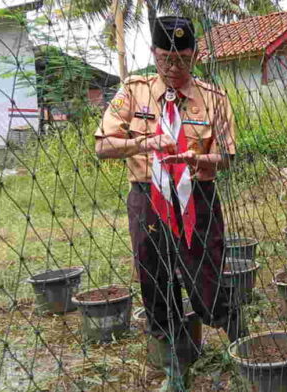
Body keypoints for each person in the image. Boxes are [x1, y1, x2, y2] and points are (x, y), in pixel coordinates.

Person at [94, 15, 245, 388]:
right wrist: (143, 142)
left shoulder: (214, 98)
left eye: (183, 59)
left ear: (195, 55)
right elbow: (102, 145)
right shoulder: (133, 90)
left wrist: (202, 160)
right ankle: (176, 365)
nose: (174, 67)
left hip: (198, 197)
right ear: (154, 54)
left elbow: (228, 156)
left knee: (207, 276)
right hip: (149, 197)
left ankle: (243, 343)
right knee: (155, 280)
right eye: (165, 59)